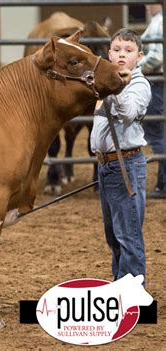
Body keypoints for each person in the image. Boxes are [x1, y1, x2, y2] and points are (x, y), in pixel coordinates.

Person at [91, 29, 152, 284]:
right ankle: (120, 286)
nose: (121, 55)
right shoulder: (106, 83)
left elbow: (128, 113)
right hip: (108, 167)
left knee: (128, 235)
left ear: (139, 56)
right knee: (114, 235)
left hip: (126, 165)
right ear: (109, 54)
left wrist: (116, 87)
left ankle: (133, 296)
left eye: (128, 51)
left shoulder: (139, 84)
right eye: (117, 50)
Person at [140, 4, 166, 199]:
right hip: (157, 82)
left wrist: (132, 67)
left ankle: (164, 185)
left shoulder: (159, 23)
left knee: (155, 134)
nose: (146, 5)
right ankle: (162, 183)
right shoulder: (157, 21)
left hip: (155, 82)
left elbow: (156, 57)